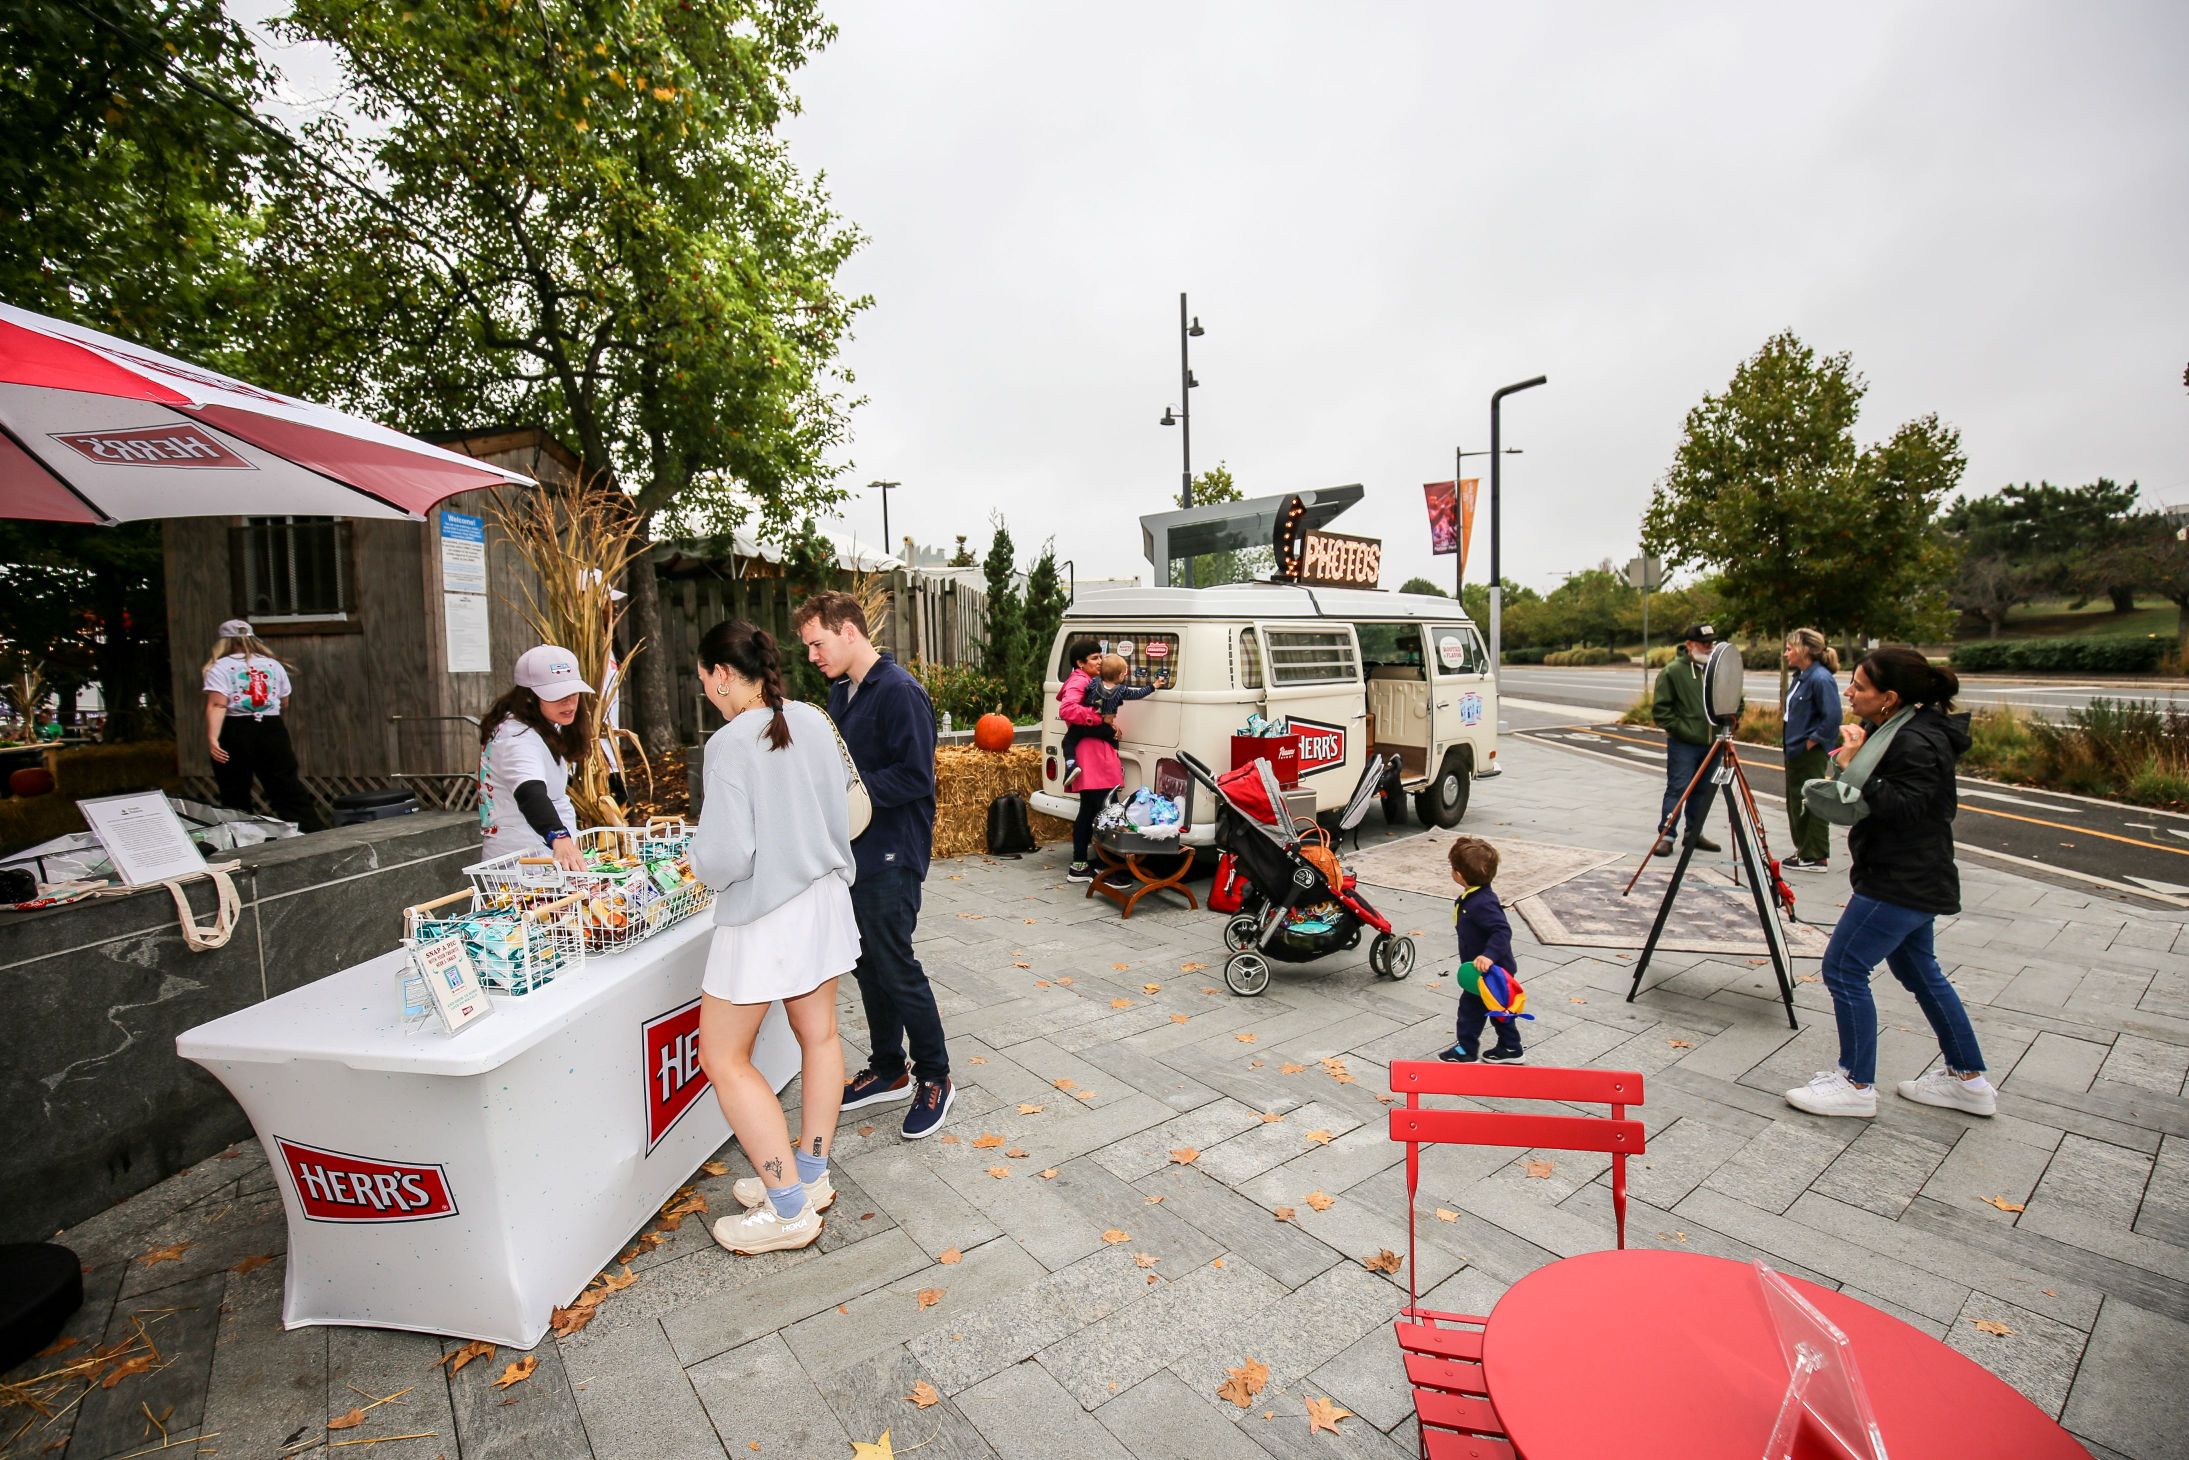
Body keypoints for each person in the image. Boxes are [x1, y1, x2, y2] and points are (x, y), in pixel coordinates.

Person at [687, 620, 859, 1255]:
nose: (706, 691)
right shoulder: (812, 719)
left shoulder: (731, 742)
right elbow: (842, 806)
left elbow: (726, 854)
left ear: (722, 675)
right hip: (822, 898)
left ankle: (787, 1207)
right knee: (821, 1037)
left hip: (766, 914)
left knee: (722, 1057)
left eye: (704, 679)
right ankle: (808, 1176)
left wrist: (696, 861)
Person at [1785, 647, 1995, 1119]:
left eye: (1860, 686)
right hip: (1912, 875)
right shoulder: (1901, 729)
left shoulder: (1915, 741)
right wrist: (1860, 755)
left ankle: (1855, 1084)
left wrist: (1856, 763)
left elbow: (1905, 808)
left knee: (1843, 968)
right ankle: (1968, 1080)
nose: (1849, 692)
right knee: (1919, 972)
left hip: (1900, 879)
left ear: (1890, 697)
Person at [794, 591, 954, 1140]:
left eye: (817, 643)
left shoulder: (900, 691)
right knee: (865, 964)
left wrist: (845, 794)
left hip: (893, 852)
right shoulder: (842, 691)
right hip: (853, 853)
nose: (812, 656)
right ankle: (889, 1068)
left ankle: (935, 1076)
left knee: (894, 963)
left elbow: (916, 776)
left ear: (849, 632)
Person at [476, 645, 593, 872]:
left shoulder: (538, 725)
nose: (569, 703)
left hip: (546, 859)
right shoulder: (516, 737)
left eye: (573, 693)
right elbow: (529, 791)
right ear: (529, 696)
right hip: (523, 865)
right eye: (557, 695)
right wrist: (559, 837)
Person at [201, 619, 323, 831]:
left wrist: (212, 738)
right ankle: (309, 830)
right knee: (285, 783)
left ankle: (242, 835)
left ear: (224, 642)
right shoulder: (272, 665)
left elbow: (218, 704)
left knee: (235, 787)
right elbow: (284, 701)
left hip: (235, 727)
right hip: (271, 727)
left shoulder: (219, 667)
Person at [1438, 836, 1528, 1064]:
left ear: (1459, 874)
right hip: (1481, 971)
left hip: (1491, 970)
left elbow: (1502, 931)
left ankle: (1467, 1050)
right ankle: (1510, 1047)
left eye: (1453, 867)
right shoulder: (1475, 896)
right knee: (1496, 1008)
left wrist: (1489, 956)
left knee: (1471, 1009)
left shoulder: (1483, 903)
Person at [1055, 643, 1125, 884]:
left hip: (1092, 753)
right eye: (1094, 658)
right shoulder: (1079, 681)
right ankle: (1108, 870)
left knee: (1088, 811)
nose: (1100, 661)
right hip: (1092, 755)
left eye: (1101, 656)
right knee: (1109, 810)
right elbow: (1067, 709)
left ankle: (1079, 866)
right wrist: (1099, 720)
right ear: (1080, 663)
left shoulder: (1089, 680)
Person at [1651, 623, 1722, 856]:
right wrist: (1681, 730)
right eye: (1704, 643)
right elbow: (1661, 710)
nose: (1709, 647)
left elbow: (1735, 698)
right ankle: (1667, 835)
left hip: (1713, 742)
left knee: (1704, 790)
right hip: (1684, 743)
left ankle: (1694, 833)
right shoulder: (1673, 672)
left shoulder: (1717, 669)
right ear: (1690, 644)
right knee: (1678, 788)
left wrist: (1731, 722)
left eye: (1711, 642)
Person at [1780, 628, 1844, 873]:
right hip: (1795, 749)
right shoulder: (1802, 676)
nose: (1786, 653)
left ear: (1804, 649)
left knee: (1810, 800)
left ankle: (1815, 855)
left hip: (1807, 751)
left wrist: (1811, 742)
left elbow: (1832, 717)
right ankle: (1804, 850)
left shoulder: (1820, 678)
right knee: (1797, 800)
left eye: (1789, 648)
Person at [1062, 651, 1162, 789]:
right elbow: (1138, 694)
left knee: (1068, 741)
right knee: (1114, 740)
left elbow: (1085, 693)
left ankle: (1071, 765)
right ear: (1120, 676)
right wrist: (1154, 686)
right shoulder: (1121, 690)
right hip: (1104, 727)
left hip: (1085, 726)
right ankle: (1116, 768)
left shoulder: (1094, 682)